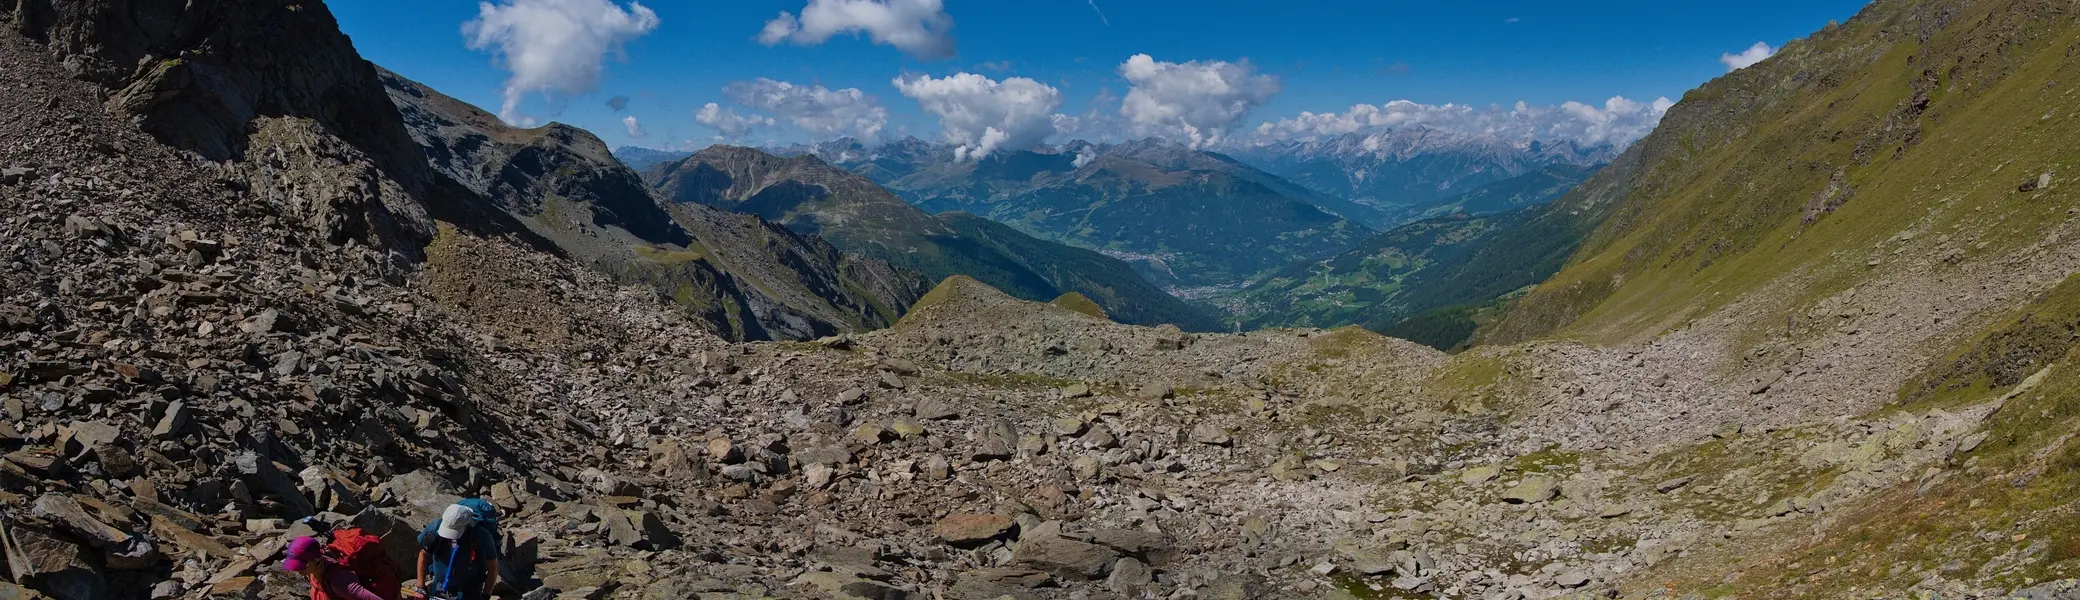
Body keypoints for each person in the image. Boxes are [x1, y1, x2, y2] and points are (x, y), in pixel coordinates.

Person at [417, 501, 501, 600]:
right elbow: (424, 554)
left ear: (467, 525)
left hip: (469, 592)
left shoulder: (482, 536)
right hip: (439, 587)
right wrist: (420, 586)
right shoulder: (435, 528)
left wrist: (486, 595)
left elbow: (493, 567)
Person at [283, 536, 389, 600]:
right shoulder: (314, 569)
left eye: (302, 564)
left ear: (317, 559)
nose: (297, 569)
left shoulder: (339, 581)